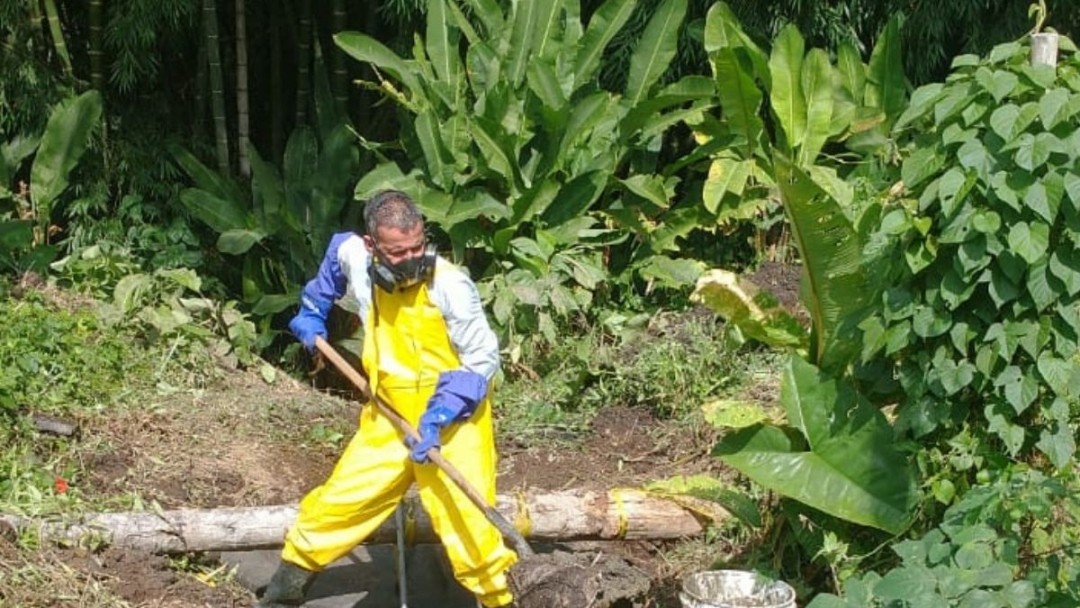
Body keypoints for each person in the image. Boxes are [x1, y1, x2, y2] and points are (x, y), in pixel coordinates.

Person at [257, 190, 518, 607]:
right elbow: (333, 260)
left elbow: (481, 362)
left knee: (471, 527)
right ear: (372, 246)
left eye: (417, 247)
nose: (410, 260)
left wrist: (439, 417)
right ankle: (281, 596)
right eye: (397, 253)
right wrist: (312, 307)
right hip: (387, 415)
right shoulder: (355, 257)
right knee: (337, 505)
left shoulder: (449, 283)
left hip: (453, 420)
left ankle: (502, 600)